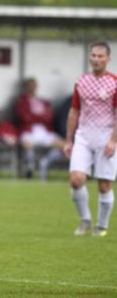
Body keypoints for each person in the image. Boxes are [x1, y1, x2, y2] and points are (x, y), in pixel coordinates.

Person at [64, 41, 117, 237]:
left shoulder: (114, 82)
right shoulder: (81, 82)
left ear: (108, 59)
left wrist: (113, 140)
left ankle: (101, 226)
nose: (95, 59)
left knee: (104, 184)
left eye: (100, 56)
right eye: (93, 55)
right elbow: (74, 111)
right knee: (76, 180)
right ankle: (85, 219)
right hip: (84, 135)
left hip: (106, 135)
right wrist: (69, 140)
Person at [15, 78, 65, 179]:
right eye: (30, 85)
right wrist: (40, 116)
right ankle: (30, 166)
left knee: (65, 145)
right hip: (29, 130)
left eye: (34, 85)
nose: (32, 87)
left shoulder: (43, 101)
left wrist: (35, 116)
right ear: (26, 87)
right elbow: (24, 117)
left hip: (44, 130)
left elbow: (49, 117)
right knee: (27, 143)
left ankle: (45, 161)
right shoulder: (21, 101)